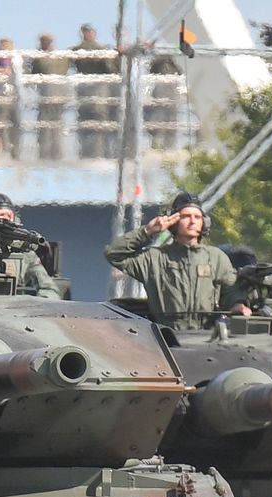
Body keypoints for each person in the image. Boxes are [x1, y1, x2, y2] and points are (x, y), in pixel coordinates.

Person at [103, 192, 248, 330]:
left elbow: (231, 289)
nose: (192, 221)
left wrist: (238, 304)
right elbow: (114, 254)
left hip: (206, 335)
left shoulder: (215, 257)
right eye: (186, 216)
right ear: (174, 221)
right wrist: (148, 231)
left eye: (197, 217)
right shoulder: (155, 258)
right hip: (165, 335)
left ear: (204, 223)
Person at [0, 192, 61, 298]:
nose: (5, 220)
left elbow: (49, 290)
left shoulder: (25, 254)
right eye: (0, 216)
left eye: (9, 216)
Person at [71, 24, 117, 159]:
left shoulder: (98, 49)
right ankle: (88, 152)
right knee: (88, 120)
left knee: (98, 121)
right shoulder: (80, 49)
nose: (88, 34)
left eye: (90, 32)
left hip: (98, 89)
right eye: (86, 32)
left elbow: (110, 69)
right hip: (89, 88)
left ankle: (98, 152)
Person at [29, 33, 69, 160]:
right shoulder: (61, 57)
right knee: (52, 128)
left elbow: (34, 72)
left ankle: (49, 156)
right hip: (54, 96)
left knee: (49, 128)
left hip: (51, 96)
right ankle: (52, 156)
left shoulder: (42, 58)